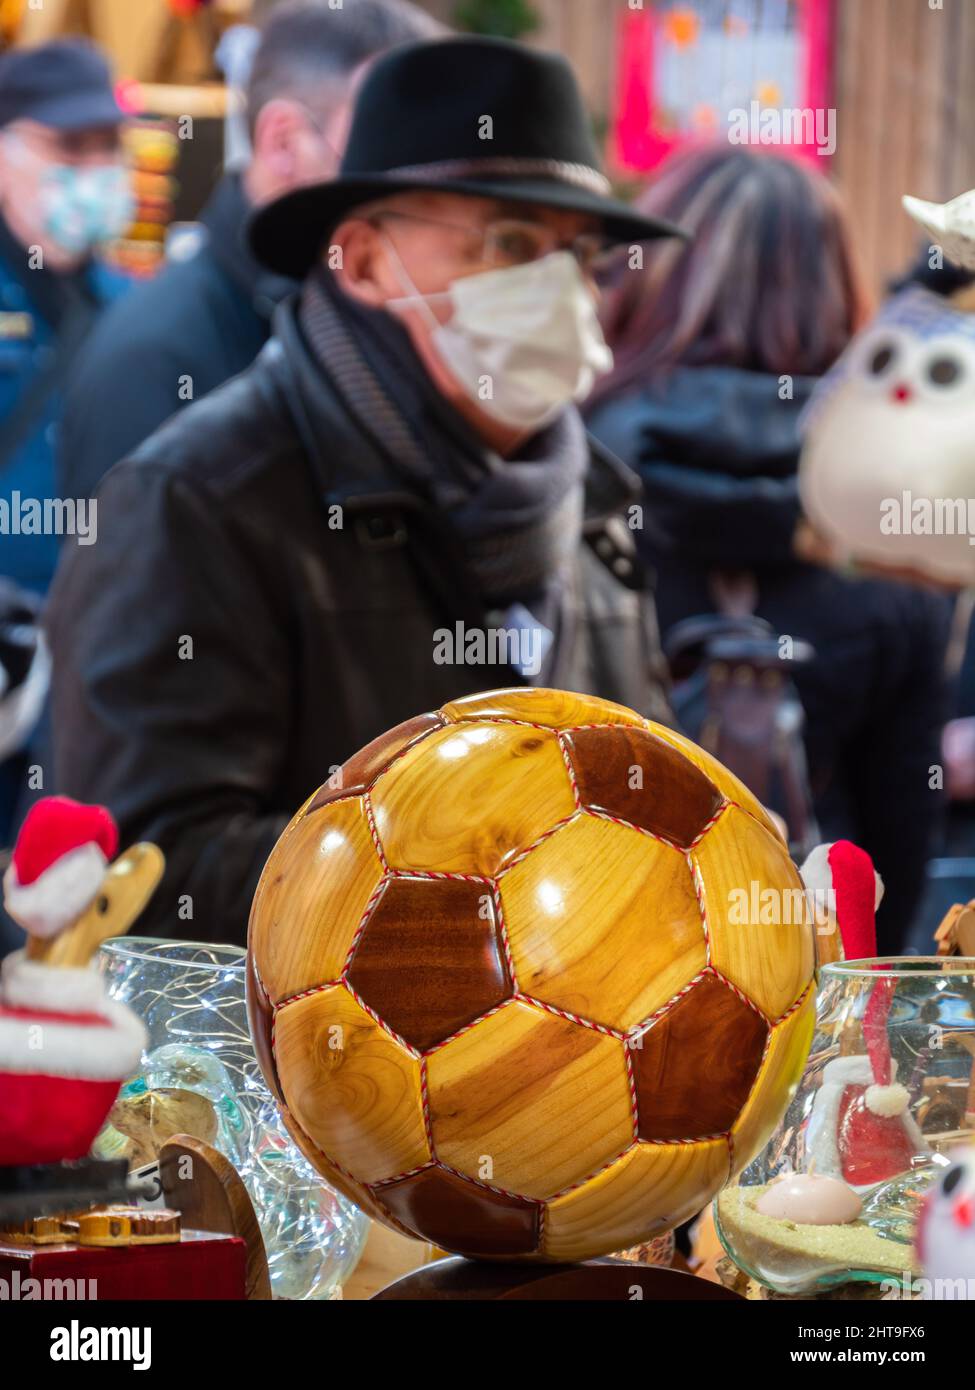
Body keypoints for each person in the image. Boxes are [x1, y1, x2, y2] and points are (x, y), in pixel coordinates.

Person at [47, 37, 679, 945]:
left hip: (557, 1073)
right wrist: (490, 857)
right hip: (286, 1079)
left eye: (579, 254)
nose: (560, 287)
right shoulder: (196, 498)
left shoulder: (593, 512)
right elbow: (146, 875)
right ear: (364, 262)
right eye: (509, 242)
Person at [586, 146, 952, 952]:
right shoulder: (894, 516)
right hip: (803, 978)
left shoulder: (563, 471)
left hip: (584, 961)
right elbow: (895, 845)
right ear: (836, 288)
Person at [58, 0, 445, 502]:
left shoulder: (371, 306)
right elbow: (122, 571)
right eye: (387, 141)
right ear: (284, 143)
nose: (420, 181)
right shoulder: (158, 356)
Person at [0, 38, 132, 854]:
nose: (96, 169)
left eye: (109, 147)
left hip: (87, 677)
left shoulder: (135, 310)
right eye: (70, 147)